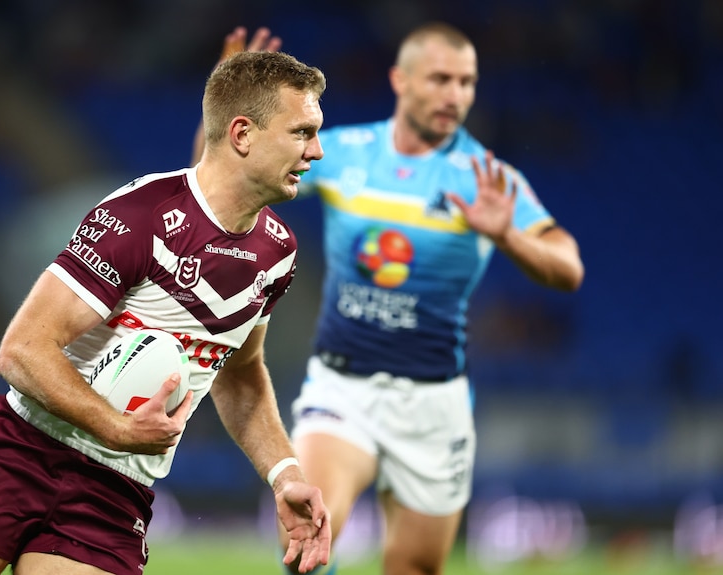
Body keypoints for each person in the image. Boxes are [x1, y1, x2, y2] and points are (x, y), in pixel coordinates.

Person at [0, 49, 331, 575]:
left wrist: (285, 474)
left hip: (116, 488)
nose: (315, 151)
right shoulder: (141, 216)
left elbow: (241, 375)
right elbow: (21, 350)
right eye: (302, 132)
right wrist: (115, 425)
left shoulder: (277, 253)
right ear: (242, 134)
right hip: (23, 450)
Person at [197, 23, 585, 575]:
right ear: (400, 80)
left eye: (467, 82)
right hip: (344, 387)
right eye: (440, 79)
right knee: (307, 542)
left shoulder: (486, 178)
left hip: (434, 402)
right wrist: (232, 105)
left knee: (414, 566)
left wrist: (509, 236)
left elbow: (568, 268)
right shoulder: (349, 151)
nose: (455, 95)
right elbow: (223, 178)